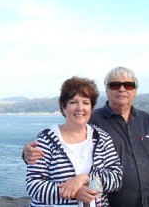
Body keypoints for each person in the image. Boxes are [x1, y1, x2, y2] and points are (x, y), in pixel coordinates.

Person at [23, 67, 149, 207]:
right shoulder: (90, 121)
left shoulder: (146, 120)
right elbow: (35, 177)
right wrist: (27, 154)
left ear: (135, 91)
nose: (122, 89)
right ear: (107, 90)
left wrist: (86, 179)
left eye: (128, 85)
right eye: (115, 85)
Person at [26, 76, 122, 207]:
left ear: (91, 107)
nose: (80, 108)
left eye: (86, 102)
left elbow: (116, 177)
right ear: (64, 106)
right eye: (73, 102)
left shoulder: (102, 138)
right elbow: (34, 185)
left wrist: (86, 179)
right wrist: (75, 193)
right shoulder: (46, 140)